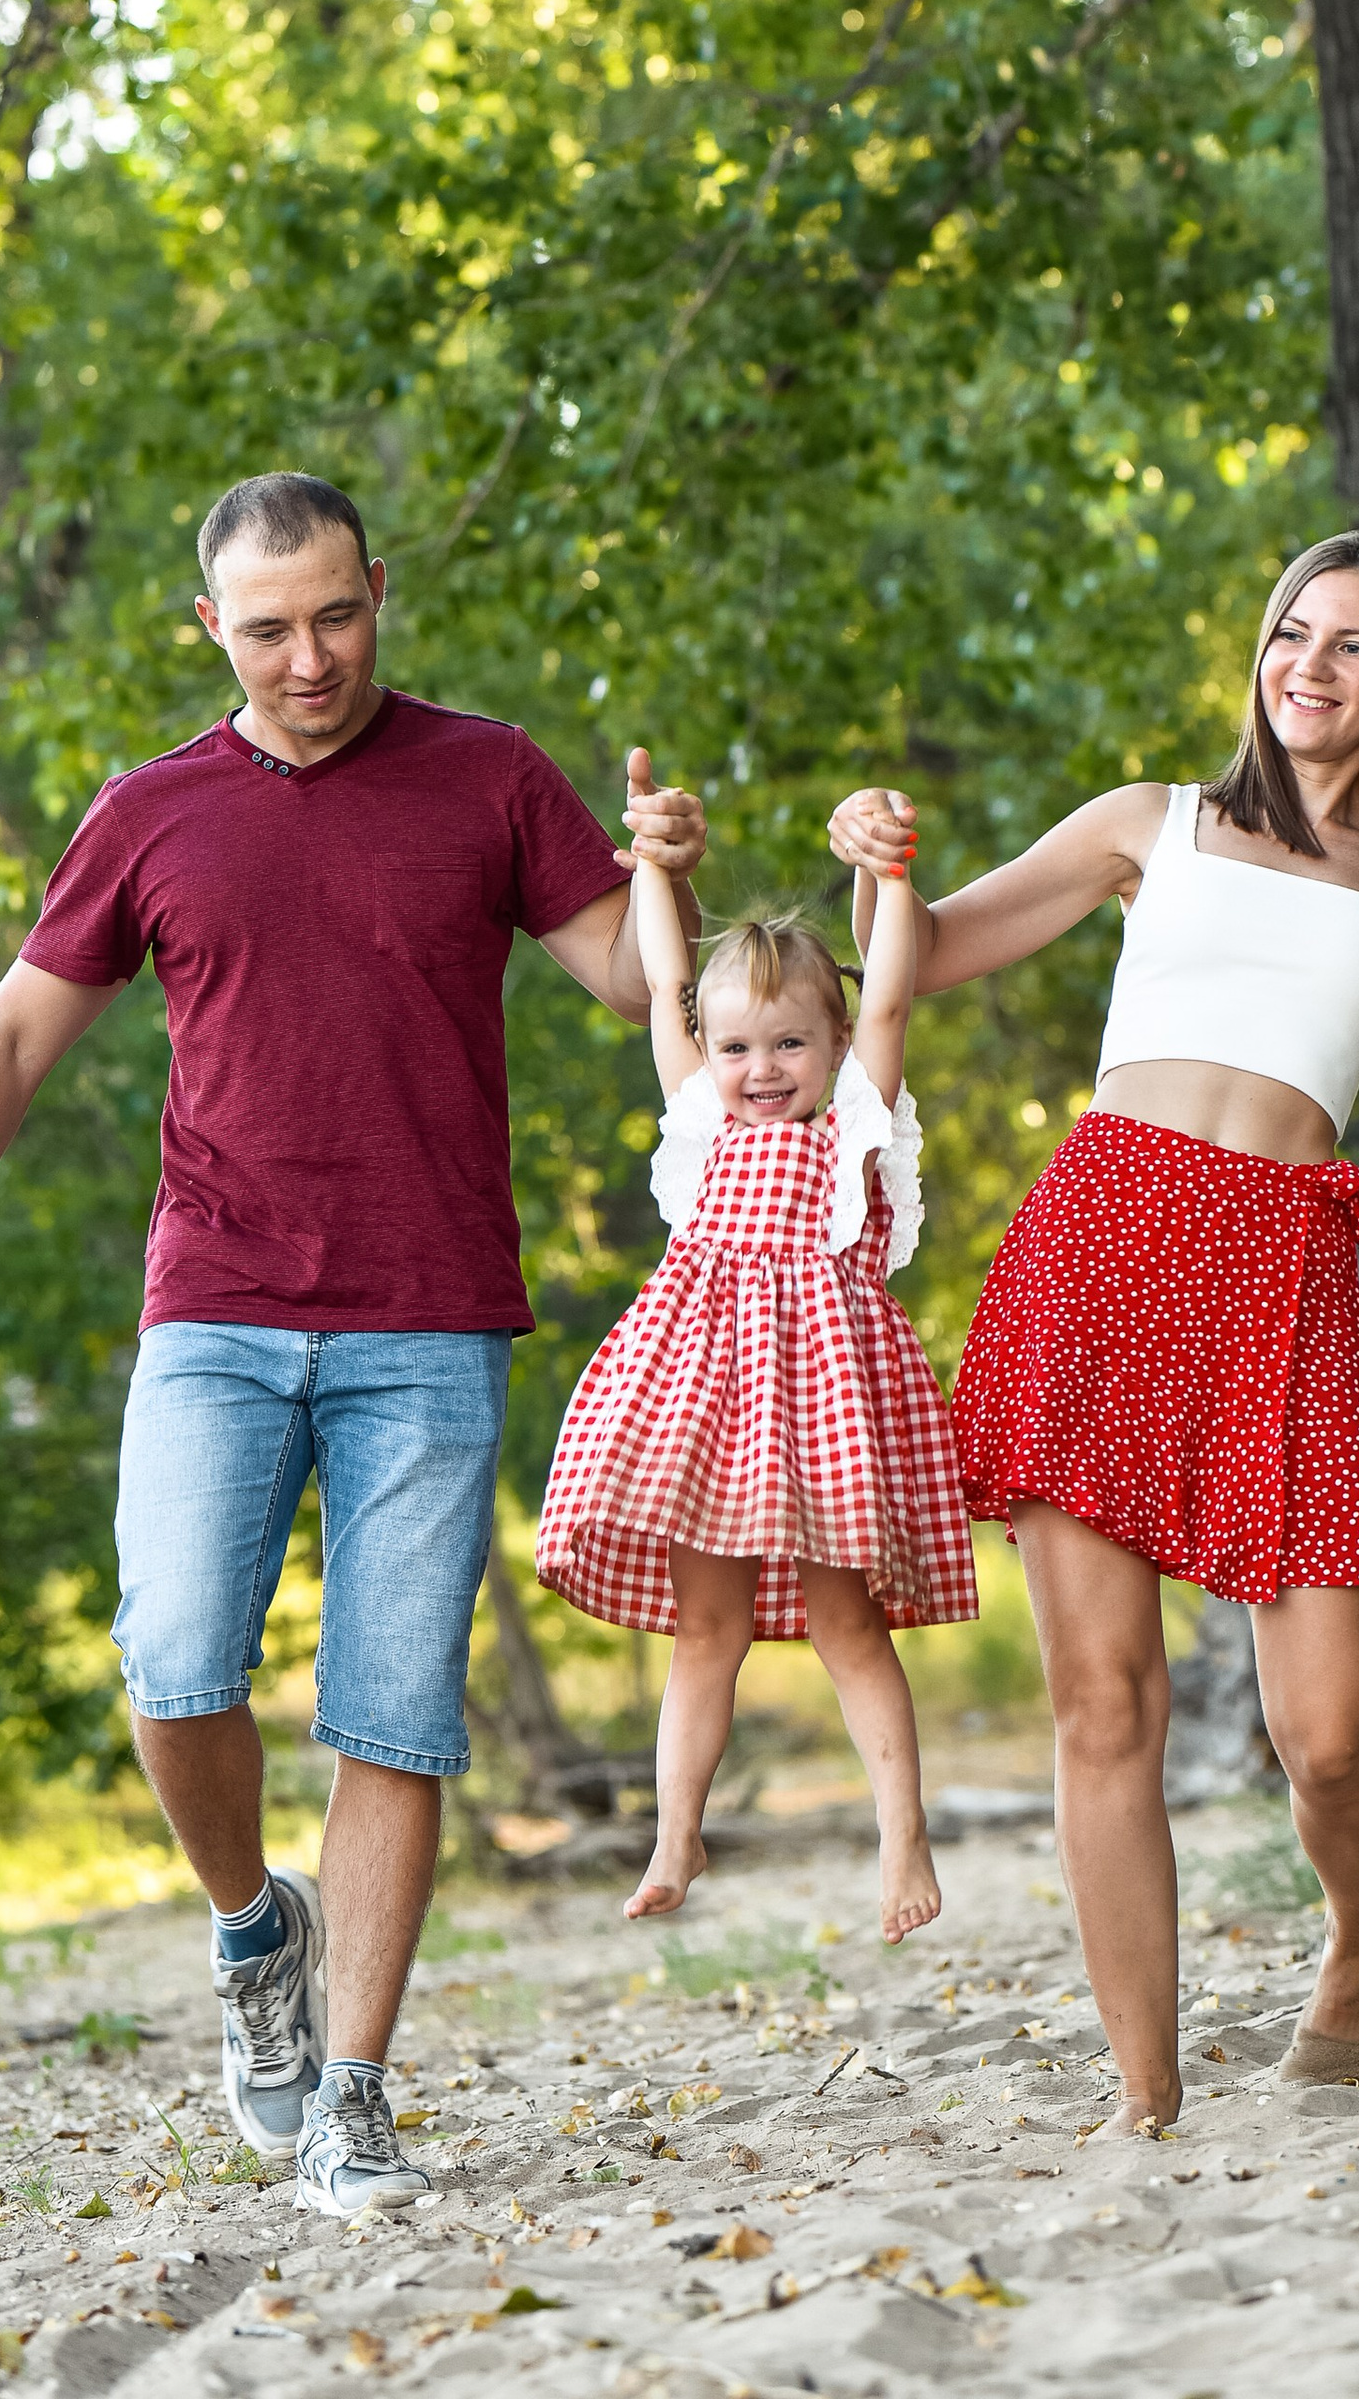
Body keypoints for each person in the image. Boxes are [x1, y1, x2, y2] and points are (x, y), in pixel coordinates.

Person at [0, 470, 707, 2222]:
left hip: (430, 1317)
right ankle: (258, 1931)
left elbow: (630, 984)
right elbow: (18, 1036)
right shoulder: (154, 811)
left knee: (393, 1718)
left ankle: (358, 2098)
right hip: (218, 1308)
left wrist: (671, 878)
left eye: (336, 614)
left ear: (378, 587)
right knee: (173, 1662)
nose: (308, 658)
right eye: (266, 629)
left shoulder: (488, 775)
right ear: (210, 628)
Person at [828, 527, 1359, 2136]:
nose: (1312, 664)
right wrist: (876, 863)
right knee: (1106, 1707)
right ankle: (1146, 2096)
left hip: (1285, 1290)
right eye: (1294, 631)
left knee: (1329, 1734)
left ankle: (1356, 1942)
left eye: (1353, 645)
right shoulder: (1152, 826)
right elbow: (929, 950)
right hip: (1099, 1259)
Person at [535, 807, 975, 1942]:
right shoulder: (698, 1127)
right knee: (705, 1629)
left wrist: (882, 875)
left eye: (787, 1045)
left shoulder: (854, 1135)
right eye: (736, 1048)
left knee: (845, 1626)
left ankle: (902, 1834)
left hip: (824, 1411)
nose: (760, 1069)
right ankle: (678, 1830)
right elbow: (667, 985)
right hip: (707, 1410)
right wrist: (652, 870)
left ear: (830, 1051)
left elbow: (886, 992)